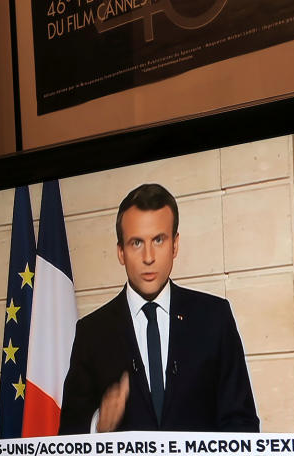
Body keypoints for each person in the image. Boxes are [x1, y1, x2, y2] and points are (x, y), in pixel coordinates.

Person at [58, 184, 259, 434]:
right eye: (136, 243)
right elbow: (67, 437)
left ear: (175, 245)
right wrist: (98, 428)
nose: (149, 257)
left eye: (159, 240)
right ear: (120, 251)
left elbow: (242, 424)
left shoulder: (214, 317)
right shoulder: (92, 333)